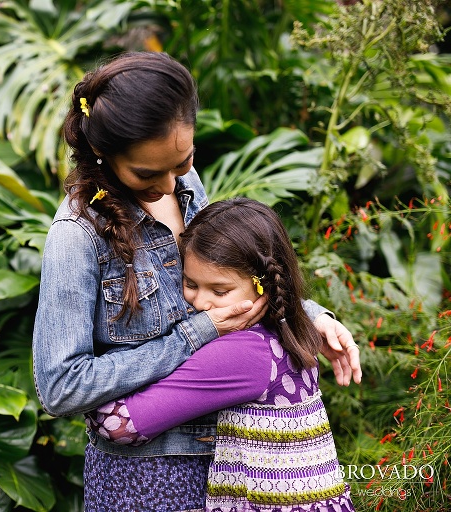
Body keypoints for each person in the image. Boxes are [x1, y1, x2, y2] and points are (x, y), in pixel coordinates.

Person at [32, 51, 361, 511]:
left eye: (182, 162)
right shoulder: (78, 236)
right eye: (146, 173)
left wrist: (309, 316)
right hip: (146, 482)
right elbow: (61, 386)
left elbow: (228, 277)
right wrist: (195, 335)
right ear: (103, 154)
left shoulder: (186, 186)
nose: (169, 185)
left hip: (234, 461)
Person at [87, 197, 355, 511]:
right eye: (190, 283)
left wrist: (88, 383)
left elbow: (120, 425)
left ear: (263, 286)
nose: (200, 303)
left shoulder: (242, 354)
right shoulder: (292, 331)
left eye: (219, 291)